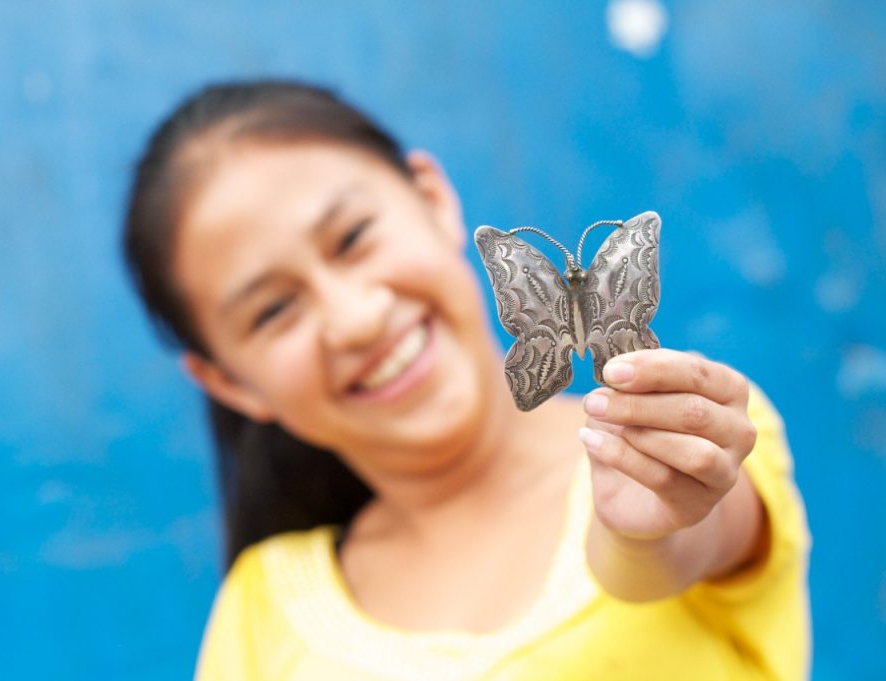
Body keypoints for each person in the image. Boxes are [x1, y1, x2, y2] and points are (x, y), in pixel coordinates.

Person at [123, 80, 810, 681]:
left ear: (432, 199)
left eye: (353, 237)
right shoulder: (263, 609)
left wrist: (641, 532)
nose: (356, 319)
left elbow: (682, 535)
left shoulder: (680, 429)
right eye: (273, 311)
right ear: (229, 383)